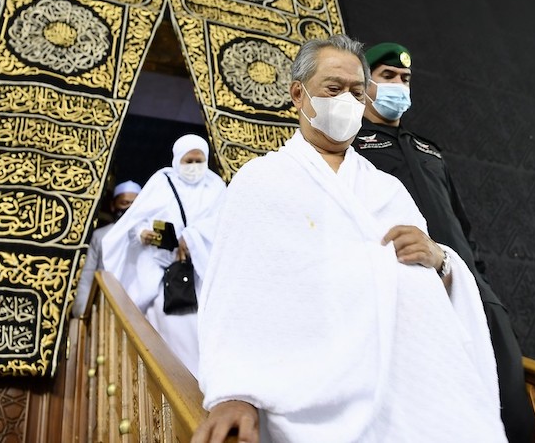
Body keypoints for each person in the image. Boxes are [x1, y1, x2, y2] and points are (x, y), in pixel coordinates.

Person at [192, 35, 506, 443]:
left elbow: (437, 289)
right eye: (333, 89)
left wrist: (440, 258)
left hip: (412, 394)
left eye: (357, 92)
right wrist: (234, 392)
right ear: (298, 94)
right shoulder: (261, 181)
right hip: (308, 389)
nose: (347, 100)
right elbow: (237, 293)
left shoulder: (388, 188)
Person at [352, 41, 535, 443]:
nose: (399, 85)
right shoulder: (350, 148)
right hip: (412, 299)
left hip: (472, 293)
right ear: (364, 85)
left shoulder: (428, 149)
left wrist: (480, 285)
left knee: (514, 415)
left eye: (405, 79)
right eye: (388, 77)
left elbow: (462, 227)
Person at [102, 134, 226, 377]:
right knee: (168, 328)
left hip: (203, 273)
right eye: (188, 161)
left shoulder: (216, 187)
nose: (193, 167)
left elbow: (223, 226)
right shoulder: (162, 182)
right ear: (177, 159)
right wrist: (143, 233)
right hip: (162, 272)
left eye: (199, 160)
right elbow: (134, 222)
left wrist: (191, 237)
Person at [71, 179, 141, 317]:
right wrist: (82, 310)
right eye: (125, 203)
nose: (129, 208)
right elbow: (88, 275)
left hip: (139, 306)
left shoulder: (149, 236)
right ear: (113, 205)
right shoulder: (101, 236)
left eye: (134, 204)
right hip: (106, 304)